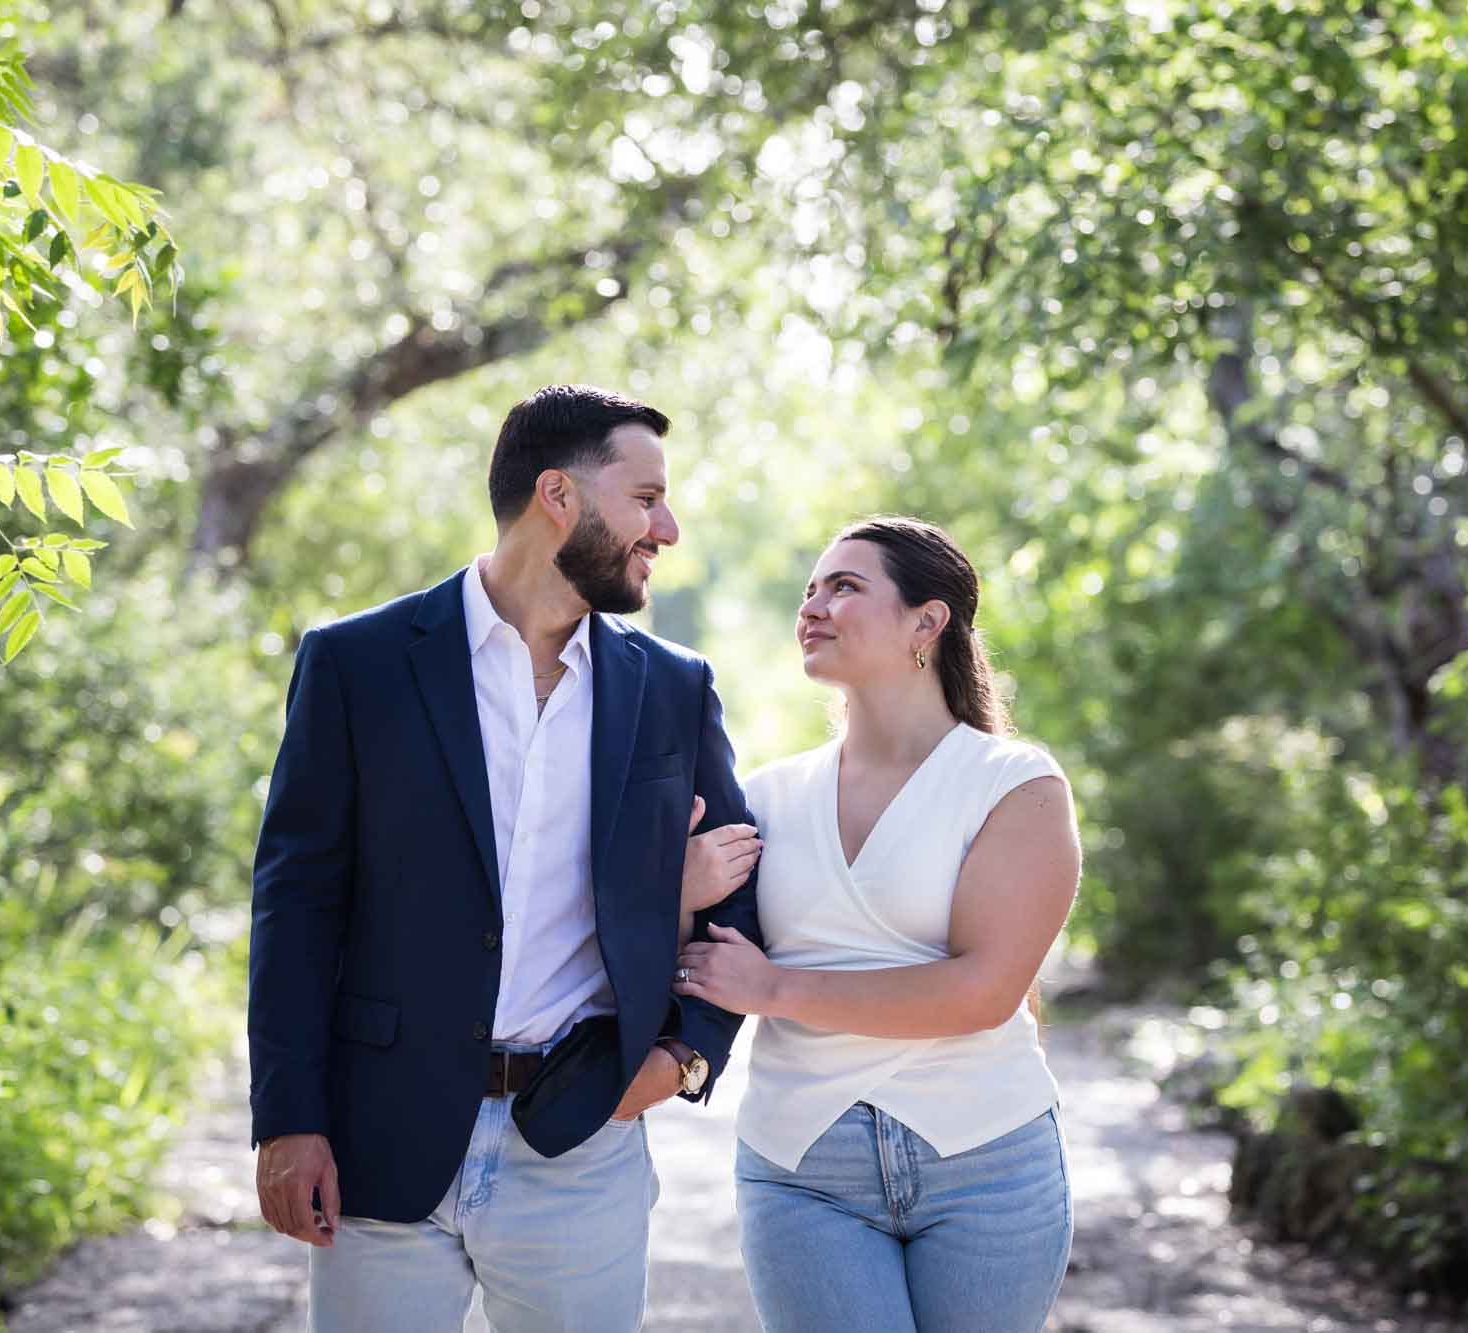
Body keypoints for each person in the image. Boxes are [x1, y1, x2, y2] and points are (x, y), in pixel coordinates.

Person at [247, 384, 764, 1332]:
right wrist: (287, 1117)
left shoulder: (673, 689)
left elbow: (739, 895)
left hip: (581, 1139)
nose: (670, 527)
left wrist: (685, 1056)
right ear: (558, 496)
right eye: (646, 498)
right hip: (383, 1135)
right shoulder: (357, 664)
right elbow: (297, 903)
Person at [674, 515, 1081, 1333]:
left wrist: (779, 987)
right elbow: (695, 962)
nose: (813, 605)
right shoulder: (766, 797)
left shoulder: (1015, 785)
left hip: (987, 1164)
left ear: (927, 623)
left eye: (845, 586)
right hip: (802, 1170)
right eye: (810, 589)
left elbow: (982, 992)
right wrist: (678, 891)